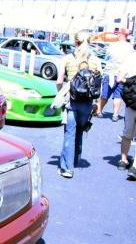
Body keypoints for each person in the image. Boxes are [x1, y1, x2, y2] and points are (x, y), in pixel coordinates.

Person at [56, 30, 103, 178]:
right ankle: (76, 158)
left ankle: (67, 168)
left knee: (69, 133)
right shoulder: (95, 61)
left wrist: (61, 94)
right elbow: (99, 85)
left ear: (75, 42)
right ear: (89, 42)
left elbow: (59, 81)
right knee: (80, 130)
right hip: (87, 102)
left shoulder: (67, 59)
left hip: (72, 101)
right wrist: (97, 104)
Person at [96, 34, 132, 121]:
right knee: (118, 96)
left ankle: (99, 111)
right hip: (122, 74)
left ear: (119, 37)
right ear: (126, 37)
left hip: (110, 72)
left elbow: (106, 57)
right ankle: (115, 115)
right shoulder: (130, 47)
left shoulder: (112, 46)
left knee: (105, 94)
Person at [117, 51, 136, 177]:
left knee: (127, 132)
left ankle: (123, 160)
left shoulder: (130, 58)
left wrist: (128, 81)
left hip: (132, 102)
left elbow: (119, 78)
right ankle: (134, 167)